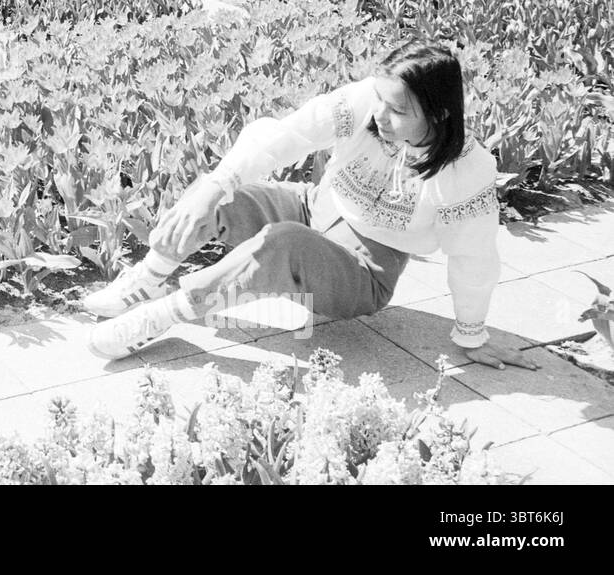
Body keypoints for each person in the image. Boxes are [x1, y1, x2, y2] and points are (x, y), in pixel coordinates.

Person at [85, 41, 538, 375]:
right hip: (312, 206)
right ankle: (146, 282)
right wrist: (213, 186)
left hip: (363, 271)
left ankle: (161, 315)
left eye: (397, 110)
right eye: (379, 99)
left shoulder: (467, 170)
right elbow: (287, 135)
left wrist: (472, 335)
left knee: (283, 244)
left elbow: (473, 257)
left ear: (439, 114)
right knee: (225, 193)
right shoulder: (366, 102)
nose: (380, 114)